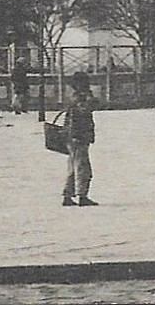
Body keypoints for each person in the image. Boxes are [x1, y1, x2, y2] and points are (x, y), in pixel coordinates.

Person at [62, 71, 98, 207]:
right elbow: (86, 109)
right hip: (79, 135)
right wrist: (90, 98)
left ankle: (68, 194)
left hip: (72, 135)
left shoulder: (72, 96)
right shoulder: (80, 97)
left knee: (73, 166)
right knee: (82, 167)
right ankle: (82, 195)